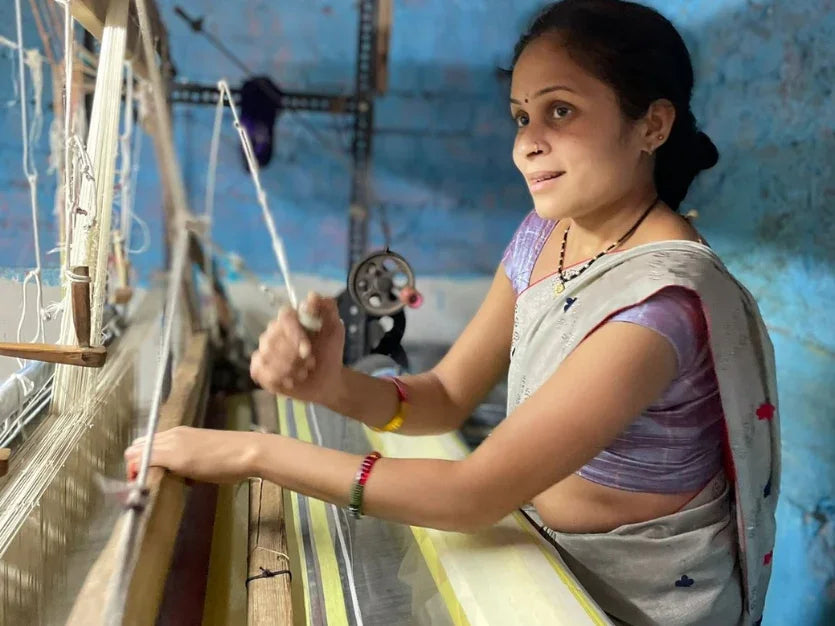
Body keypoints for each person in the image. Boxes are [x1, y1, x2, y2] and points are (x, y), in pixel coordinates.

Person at [125, 1, 779, 623]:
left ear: (652, 126)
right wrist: (332, 386)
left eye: (561, 110)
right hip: (543, 559)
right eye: (522, 115)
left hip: (632, 604)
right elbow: (443, 395)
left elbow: (472, 496)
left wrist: (251, 453)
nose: (527, 143)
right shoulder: (543, 236)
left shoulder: (656, 310)